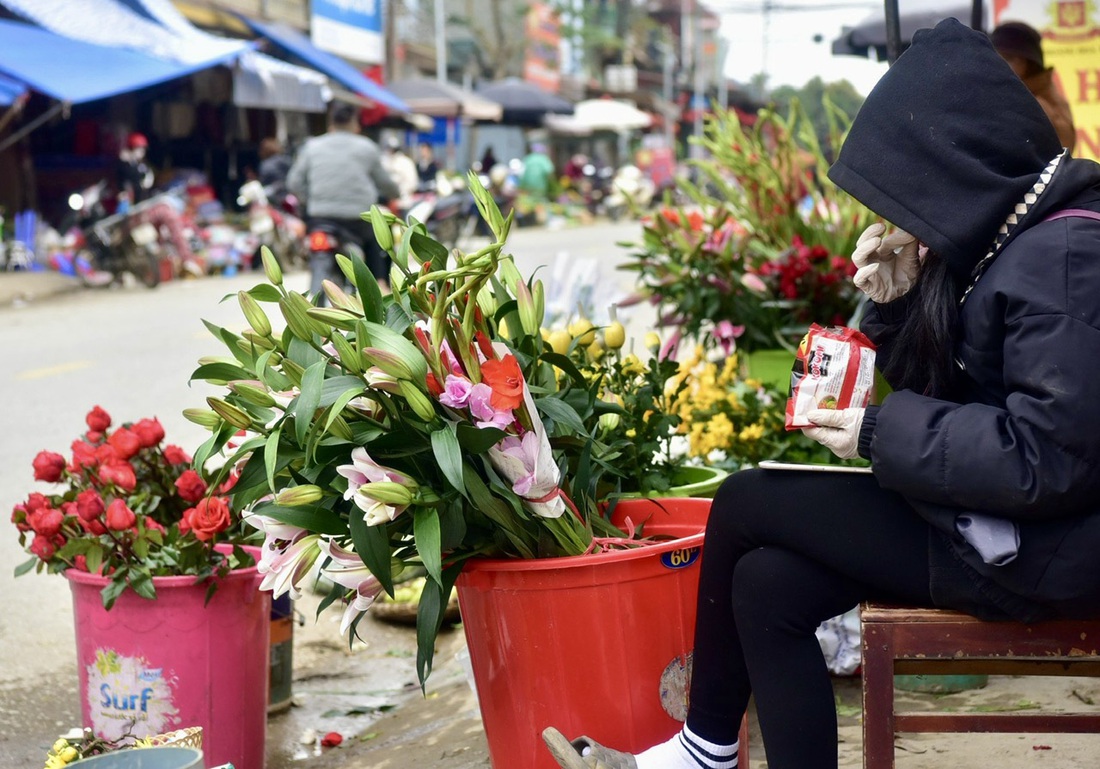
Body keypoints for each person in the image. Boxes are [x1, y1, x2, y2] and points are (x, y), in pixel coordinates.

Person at [543, 18, 1100, 769]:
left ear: (955, 159)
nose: (904, 213)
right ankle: (706, 750)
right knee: (768, 585)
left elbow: (1047, 458)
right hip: (1001, 526)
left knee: (745, 497)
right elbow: (959, 391)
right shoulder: (1011, 237)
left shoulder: (1064, 253)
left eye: (910, 187)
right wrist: (899, 302)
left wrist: (876, 433)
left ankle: (701, 752)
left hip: (1042, 549)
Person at [286, 102, 399, 291]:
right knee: (379, 245)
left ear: (330, 125)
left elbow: (294, 183)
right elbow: (386, 184)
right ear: (356, 125)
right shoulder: (367, 148)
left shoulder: (311, 147)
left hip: (320, 220)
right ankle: (380, 286)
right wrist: (395, 194)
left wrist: (310, 200)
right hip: (359, 221)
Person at [991, 20, 1076, 154]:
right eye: (995, 58)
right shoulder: (1012, 93)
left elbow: (1062, 150)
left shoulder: (1039, 105)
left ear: (1028, 63)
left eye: (1008, 59)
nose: (999, 65)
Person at [115, 132, 154, 210]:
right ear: (132, 148)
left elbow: (147, 177)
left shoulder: (142, 165)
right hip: (126, 200)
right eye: (139, 149)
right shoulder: (124, 164)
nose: (142, 152)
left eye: (143, 150)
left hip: (140, 200)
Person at [381, 137, 419, 206]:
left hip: (403, 200)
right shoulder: (384, 161)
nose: (390, 151)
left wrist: (400, 191)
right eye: (389, 148)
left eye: (392, 149)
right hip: (386, 201)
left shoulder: (406, 162)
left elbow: (412, 183)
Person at [257, 137, 292, 207]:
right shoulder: (287, 160)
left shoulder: (265, 164)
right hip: (289, 196)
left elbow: (264, 181)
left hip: (274, 198)